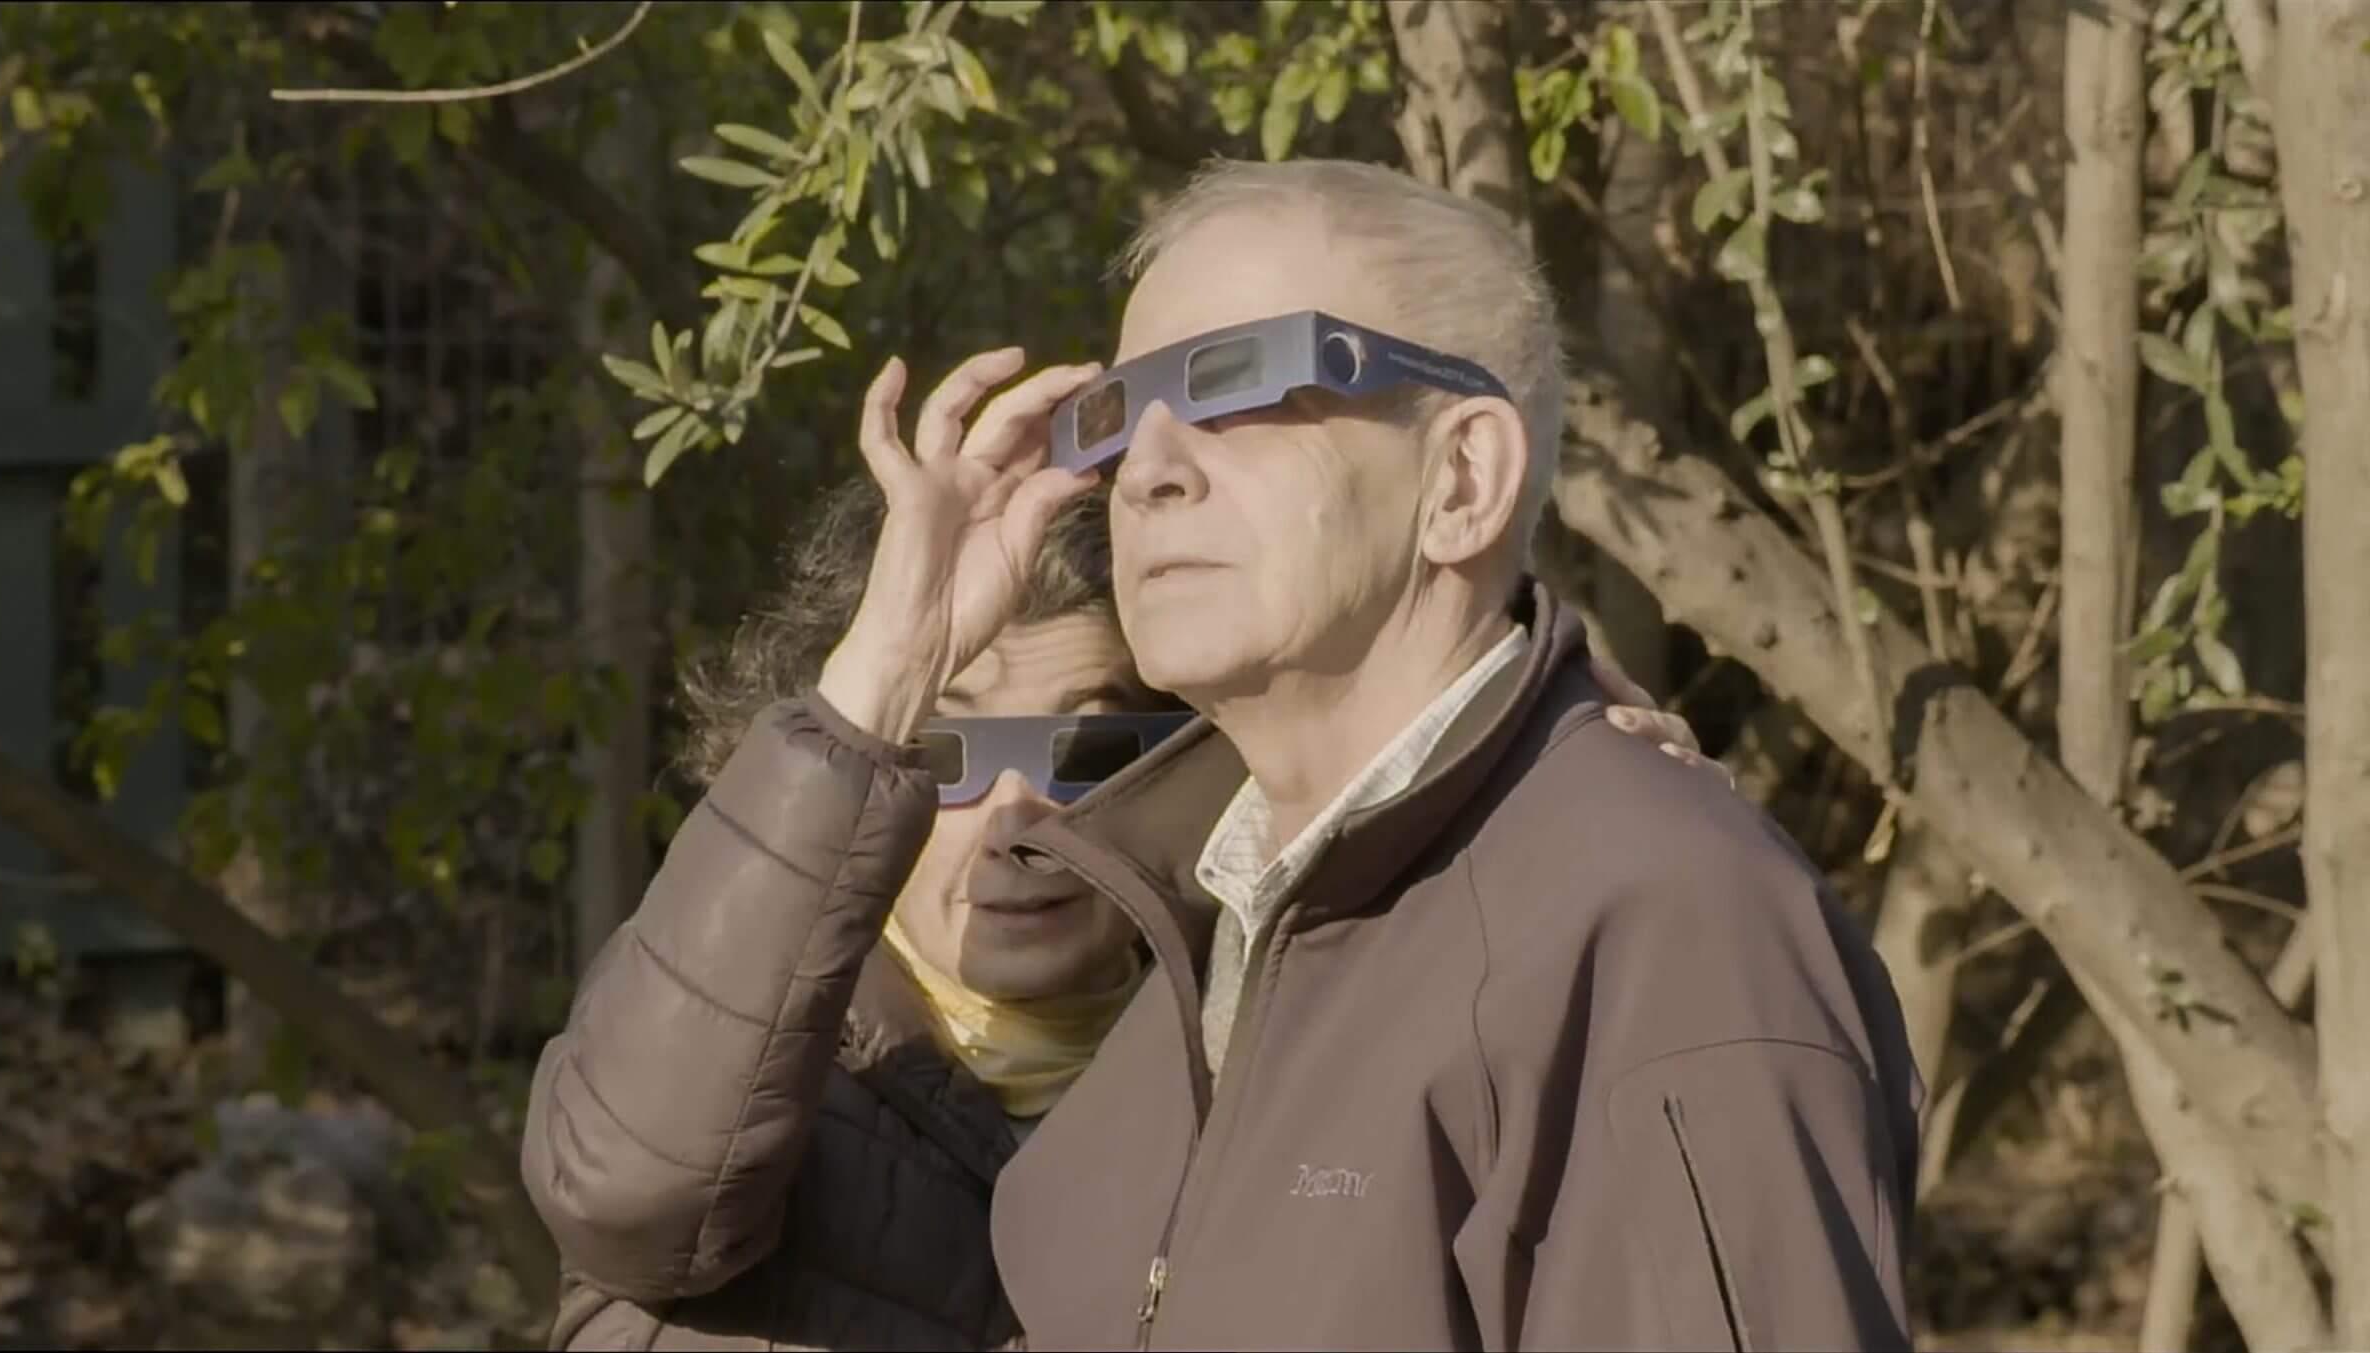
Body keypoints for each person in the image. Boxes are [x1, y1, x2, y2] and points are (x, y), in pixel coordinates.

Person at [520, 348, 1716, 1350]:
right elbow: (633, 1197)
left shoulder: (1261, 1073)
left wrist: (1562, 805)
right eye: (938, 753)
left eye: (1089, 757)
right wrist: (890, 656)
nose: (1012, 818)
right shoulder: (734, 1051)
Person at [985, 158, 1923, 1351]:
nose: (1150, 471)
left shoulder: (1664, 926)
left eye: (1238, 384)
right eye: (1118, 416)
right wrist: (878, 682)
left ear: (1463, 479)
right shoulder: (1188, 927)